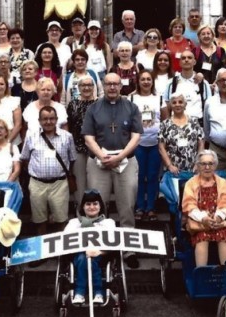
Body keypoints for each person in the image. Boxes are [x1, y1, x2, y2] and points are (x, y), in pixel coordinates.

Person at [82, 73, 143, 258]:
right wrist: (103, 156)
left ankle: (128, 249)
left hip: (125, 161)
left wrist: (120, 156)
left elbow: (136, 136)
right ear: (103, 85)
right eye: (108, 84)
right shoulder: (93, 108)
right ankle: (99, 246)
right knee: (97, 205)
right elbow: (88, 137)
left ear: (120, 86)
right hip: (99, 161)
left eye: (116, 84)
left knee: (127, 205)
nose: (112, 87)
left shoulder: (131, 107)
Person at [20, 105, 77, 236]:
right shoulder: (31, 137)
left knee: (61, 219)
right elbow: (25, 158)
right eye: (45, 119)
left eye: (52, 119)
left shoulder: (67, 137)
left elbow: (72, 159)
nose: (48, 122)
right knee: (39, 220)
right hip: (37, 184)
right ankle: (43, 251)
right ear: (39, 121)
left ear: (56, 120)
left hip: (59, 184)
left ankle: (61, 253)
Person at [181, 151, 226, 267]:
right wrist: (204, 218)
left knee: (224, 236)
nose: (207, 167)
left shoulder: (224, 183)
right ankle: (202, 275)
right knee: (202, 237)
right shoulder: (190, 184)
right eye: (203, 164)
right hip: (199, 221)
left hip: (219, 220)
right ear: (198, 165)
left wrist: (218, 217)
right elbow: (188, 206)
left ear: (215, 165)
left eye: (210, 164)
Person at [63, 190, 115, 304]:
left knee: (89, 260)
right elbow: (65, 243)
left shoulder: (109, 223)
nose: (92, 207)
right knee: (83, 258)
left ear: (100, 206)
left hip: (101, 257)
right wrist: (85, 250)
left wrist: (99, 252)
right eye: (88, 204)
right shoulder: (73, 223)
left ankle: (84, 292)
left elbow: (114, 244)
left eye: (95, 204)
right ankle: (92, 292)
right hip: (78, 257)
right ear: (83, 207)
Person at [129, 70, 163, 220]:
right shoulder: (131, 98)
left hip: (155, 143)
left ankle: (151, 207)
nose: (146, 82)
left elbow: (165, 119)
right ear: (138, 81)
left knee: (153, 175)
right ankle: (139, 206)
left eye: (149, 79)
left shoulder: (159, 98)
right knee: (139, 175)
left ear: (152, 81)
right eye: (143, 79)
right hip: (138, 143)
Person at [67, 75, 97, 205]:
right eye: (83, 85)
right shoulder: (72, 104)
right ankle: (80, 211)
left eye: (89, 85)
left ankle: (95, 211)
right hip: (77, 147)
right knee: (80, 182)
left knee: (94, 181)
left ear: (93, 87)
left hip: (96, 149)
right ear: (78, 88)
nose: (86, 88)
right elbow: (68, 126)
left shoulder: (100, 104)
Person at [159, 91, 205, 176]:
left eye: (180, 102)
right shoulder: (165, 124)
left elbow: (201, 144)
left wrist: (198, 163)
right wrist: (169, 165)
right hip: (173, 170)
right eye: (174, 102)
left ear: (185, 105)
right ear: (170, 106)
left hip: (193, 169)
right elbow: (161, 147)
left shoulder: (194, 121)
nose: (177, 104)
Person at [166, 49, 211, 123]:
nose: (186, 60)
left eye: (189, 58)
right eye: (183, 58)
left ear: (194, 62)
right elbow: (167, 105)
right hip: (176, 123)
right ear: (180, 62)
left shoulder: (203, 83)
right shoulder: (171, 83)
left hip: (198, 124)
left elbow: (208, 106)